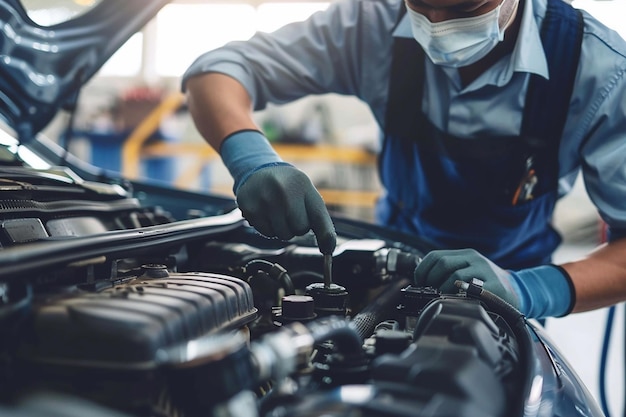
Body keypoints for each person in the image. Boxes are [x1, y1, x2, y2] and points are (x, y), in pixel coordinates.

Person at [182, 0, 626, 320]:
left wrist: (529, 290)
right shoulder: (372, 23)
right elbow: (217, 70)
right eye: (421, 5)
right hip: (391, 272)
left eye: (464, 8)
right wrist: (252, 158)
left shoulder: (597, 69)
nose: (434, 23)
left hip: (508, 296)